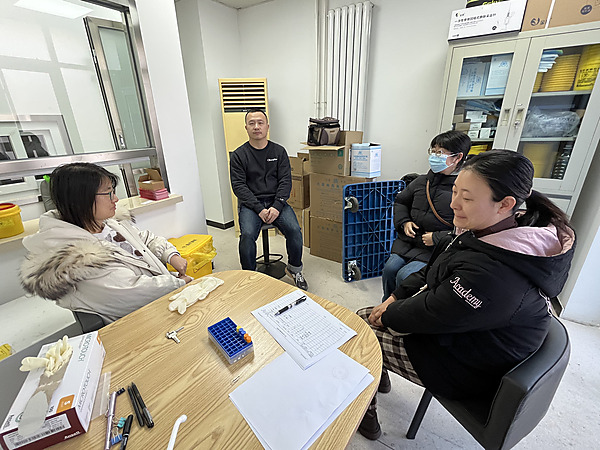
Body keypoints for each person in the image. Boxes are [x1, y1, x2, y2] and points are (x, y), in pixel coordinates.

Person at [357, 149, 576, 440]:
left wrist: (388, 315)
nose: (454, 203)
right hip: (466, 336)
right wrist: (394, 297)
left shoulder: (494, 272)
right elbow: (433, 271)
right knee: (372, 315)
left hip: (469, 367)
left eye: (467, 198)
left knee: (357, 331)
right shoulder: (490, 229)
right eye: (455, 191)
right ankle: (377, 371)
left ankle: (365, 412)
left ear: (505, 204)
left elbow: (432, 313)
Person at [20, 163, 192, 324]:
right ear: (81, 200)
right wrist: (178, 282)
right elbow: (131, 292)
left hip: (163, 298)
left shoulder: (107, 224)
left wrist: (170, 255)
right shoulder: (78, 258)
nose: (115, 199)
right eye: (108, 192)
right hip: (138, 321)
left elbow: (145, 239)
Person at [382, 131, 470, 299]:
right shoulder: (422, 181)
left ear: (458, 157)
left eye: (440, 152)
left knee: (405, 276)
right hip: (409, 242)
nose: (435, 156)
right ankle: (385, 305)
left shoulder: (463, 190)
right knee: (390, 269)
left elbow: (469, 227)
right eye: (433, 151)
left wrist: (437, 238)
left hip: (436, 249)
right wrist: (404, 221)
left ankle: (401, 310)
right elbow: (401, 201)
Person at [230, 109, 308, 290]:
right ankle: (249, 277)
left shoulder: (279, 151)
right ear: (246, 128)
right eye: (252, 123)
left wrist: (277, 206)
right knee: (247, 235)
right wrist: (259, 208)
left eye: (260, 122)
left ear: (267, 126)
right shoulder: (239, 155)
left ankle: (294, 269)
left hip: (276, 202)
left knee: (295, 230)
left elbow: (285, 181)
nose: (256, 127)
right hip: (251, 205)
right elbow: (239, 186)